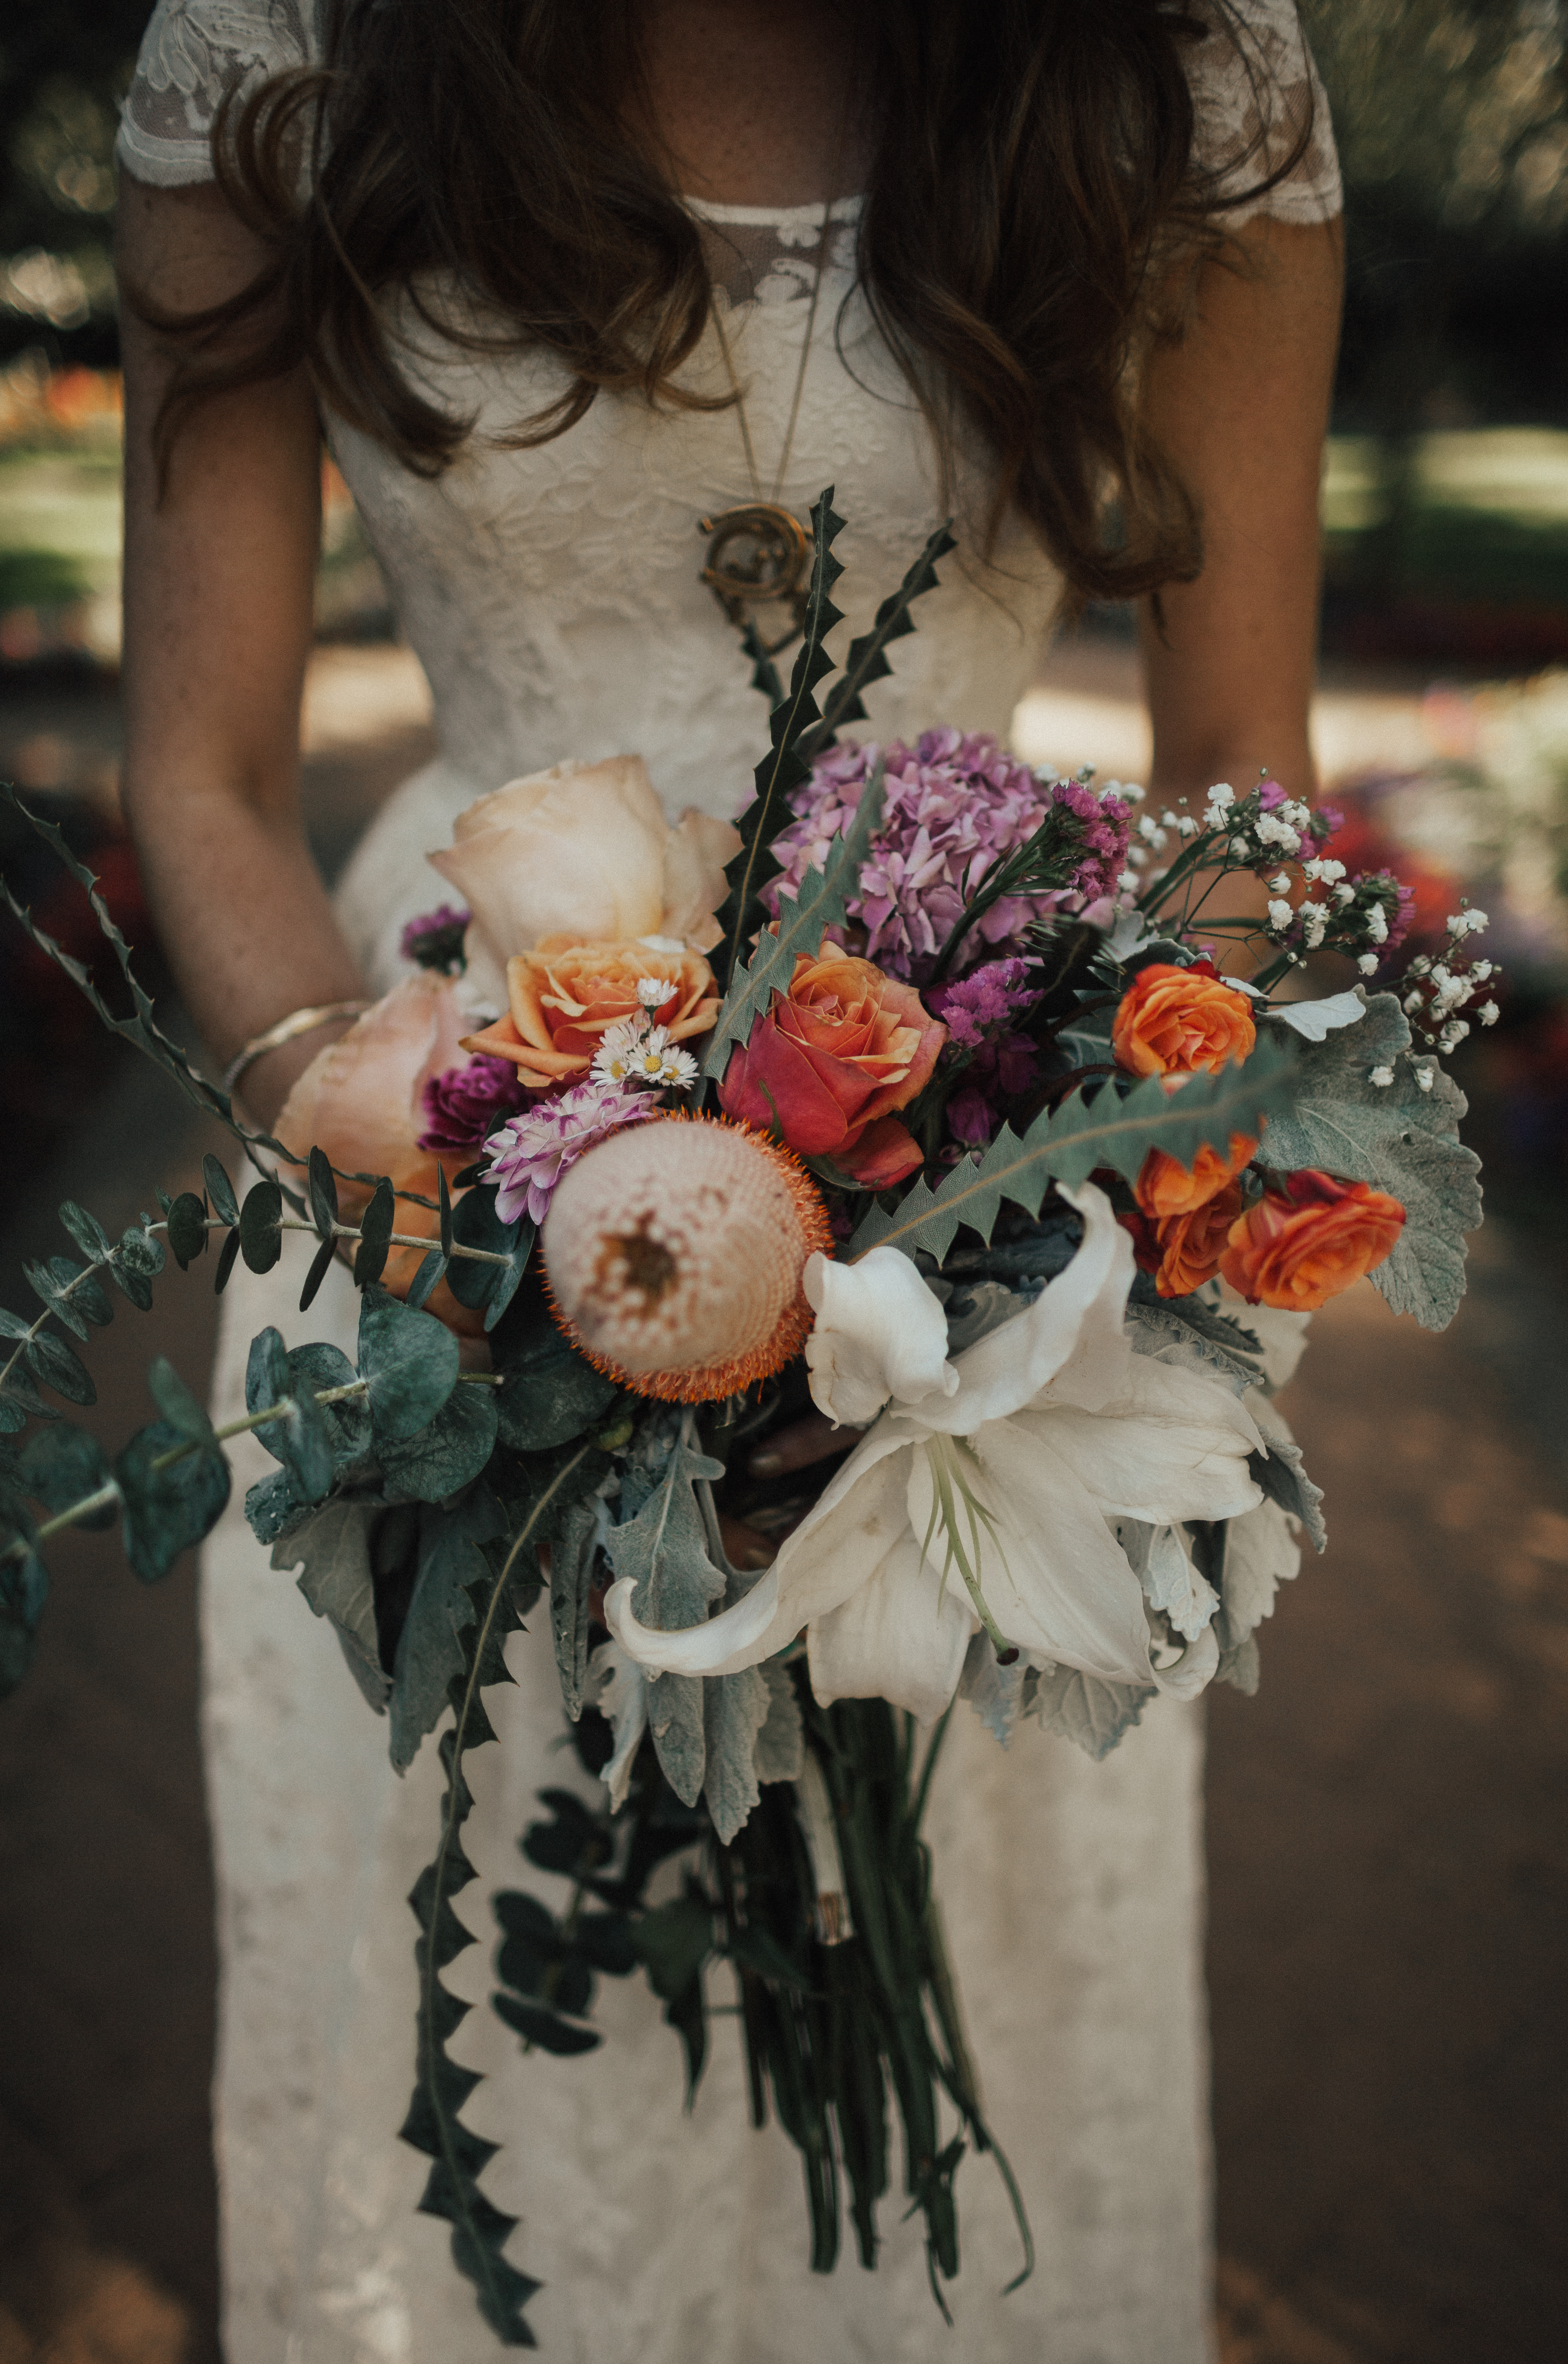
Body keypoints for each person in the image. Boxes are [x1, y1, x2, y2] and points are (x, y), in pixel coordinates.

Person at [114, 4, 1342, 2358]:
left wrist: (1071, 1195)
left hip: (995, 1229)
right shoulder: (281, 49)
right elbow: (200, 772)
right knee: (509, 2017)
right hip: (443, 1185)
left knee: (949, 2009)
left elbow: (1238, 772)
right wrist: (356, 1125)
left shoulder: (1190, 71)